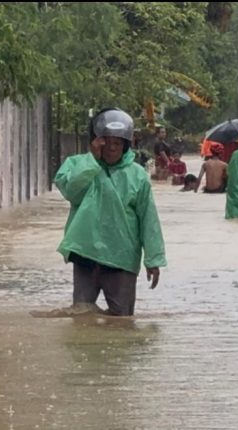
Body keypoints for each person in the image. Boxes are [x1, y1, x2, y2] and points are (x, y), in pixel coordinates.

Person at [54, 108, 166, 317]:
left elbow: (148, 219)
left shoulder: (138, 176)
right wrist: (92, 161)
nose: (112, 149)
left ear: (125, 145)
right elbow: (71, 191)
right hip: (85, 253)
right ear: (97, 142)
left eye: (118, 144)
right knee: (81, 316)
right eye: (107, 143)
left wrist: (153, 259)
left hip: (121, 257)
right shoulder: (78, 165)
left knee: (122, 320)